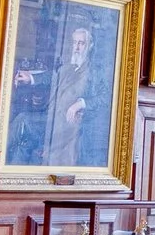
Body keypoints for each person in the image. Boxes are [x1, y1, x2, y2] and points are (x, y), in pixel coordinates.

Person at [14, 19, 113, 167]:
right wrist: (31, 77)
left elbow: (106, 97)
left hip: (69, 126)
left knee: (23, 120)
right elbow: (50, 77)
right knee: (24, 140)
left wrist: (80, 104)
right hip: (52, 119)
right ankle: (9, 171)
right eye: (74, 43)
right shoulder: (69, 67)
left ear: (90, 46)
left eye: (81, 43)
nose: (76, 47)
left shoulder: (94, 72)